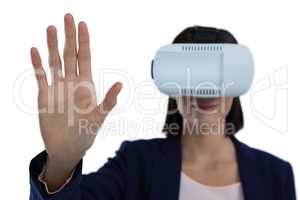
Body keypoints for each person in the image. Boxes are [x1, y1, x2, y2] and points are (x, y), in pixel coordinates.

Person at [29, 13, 296, 200]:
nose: (205, 87)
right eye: (189, 72)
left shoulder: (276, 175)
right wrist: (61, 163)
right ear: (170, 84)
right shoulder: (135, 164)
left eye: (218, 73)